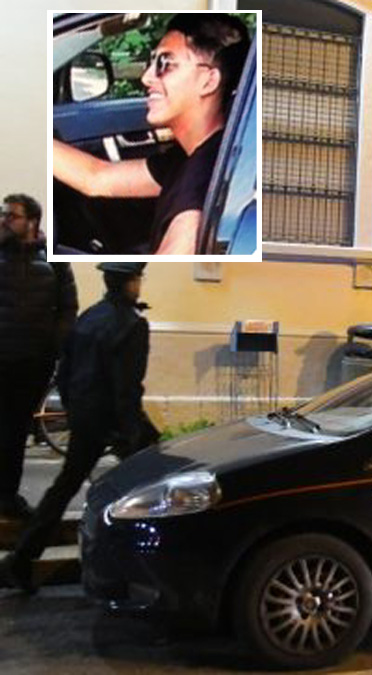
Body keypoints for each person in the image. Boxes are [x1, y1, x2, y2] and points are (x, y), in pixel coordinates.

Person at [1, 263, 157, 592]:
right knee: (152, 490)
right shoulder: (131, 326)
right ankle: (134, 568)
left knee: (64, 488)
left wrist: (75, 410)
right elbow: (126, 388)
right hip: (112, 420)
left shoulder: (89, 317)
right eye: (138, 279)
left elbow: (65, 373)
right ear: (131, 283)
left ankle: (20, 560)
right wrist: (132, 434)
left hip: (86, 416)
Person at [52, 14, 251, 255]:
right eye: (152, 62)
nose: (146, 77)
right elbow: (97, 178)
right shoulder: (193, 156)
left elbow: (164, 281)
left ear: (209, 82)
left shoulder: (200, 193)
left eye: (165, 64)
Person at [0, 195, 78, 520]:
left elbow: (67, 308)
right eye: (2, 213)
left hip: (32, 362)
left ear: (32, 221)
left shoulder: (55, 261)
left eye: (11, 215)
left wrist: (54, 347)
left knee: (15, 433)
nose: (4, 219)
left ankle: (6, 497)